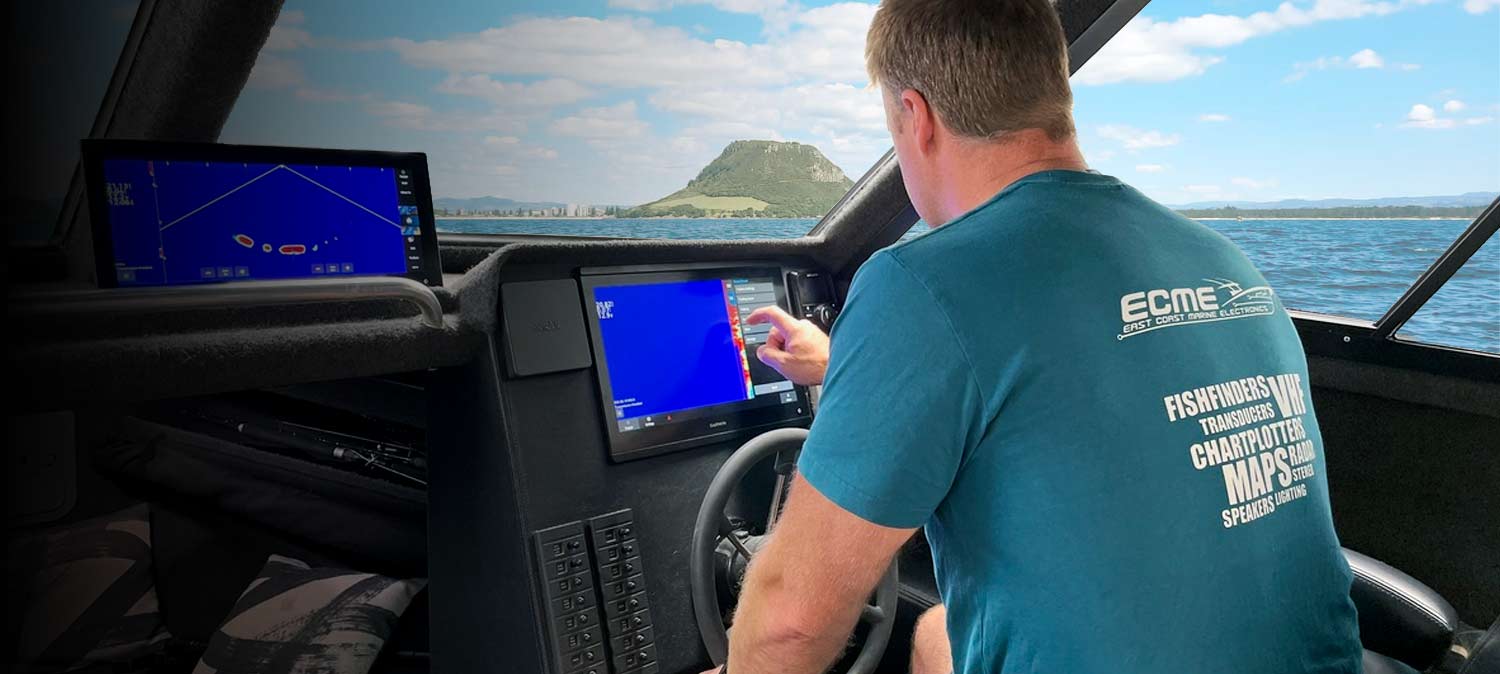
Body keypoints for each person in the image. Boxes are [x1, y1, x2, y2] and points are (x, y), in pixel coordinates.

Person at [711, 0, 1365, 672]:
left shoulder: (924, 284)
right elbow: (1060, 374)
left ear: (916, 117)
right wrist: (844, 366)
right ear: (1054, 92)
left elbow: (789, 626)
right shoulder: (1226, 265)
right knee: (939, 635)